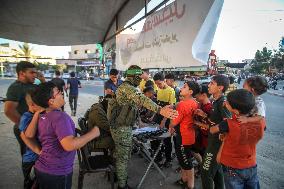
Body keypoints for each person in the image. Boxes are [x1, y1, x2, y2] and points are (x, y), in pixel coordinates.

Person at [108, 65, 178, 189]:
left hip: (124, 126)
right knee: (123, 157)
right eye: (139, 77)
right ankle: (121, 185)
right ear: (133, 76)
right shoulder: (127, 88)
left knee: (122, 155)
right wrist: (160, 110)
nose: (141, 80)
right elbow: (142, 99)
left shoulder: (126, 87)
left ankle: (118, 177)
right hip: (121, 128)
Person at [30, 82, 100, 189]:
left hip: (42, 168)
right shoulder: (59, 117)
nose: (62, 92)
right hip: (57, 173)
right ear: (51, 101)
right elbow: (69, 145)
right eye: (58, 92)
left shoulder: (43, 115)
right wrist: (93, 133)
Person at [210, 89, 266, 189]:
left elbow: (213, 130)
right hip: (251, 165)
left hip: (232, 167)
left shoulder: (228, 124)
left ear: (235, 111)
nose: (225, 103)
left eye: (227, 103)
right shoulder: (260, 122)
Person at [197, 74, 231, 189]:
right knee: (217, 172)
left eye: (212, 83)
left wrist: (215, 129)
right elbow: (216, 120)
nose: (209, 85)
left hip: (217, 143)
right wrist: (205, 115)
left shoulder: (223, 103)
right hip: (213, 140)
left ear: (220, 88)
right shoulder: (215, 101)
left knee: (205, 171)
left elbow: (229, 122)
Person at [4, 61, 37, 181]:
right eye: (32, 72)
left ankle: (37, 180)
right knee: (29, 156)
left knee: (37, 154)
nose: (35, 75)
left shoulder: (32, 85)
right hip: (25, 129)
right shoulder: (16, 87)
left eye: (35, 72)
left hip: (35, 127)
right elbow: (9, 111)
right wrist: (25, 126)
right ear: (22, 73)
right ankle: (28, 181)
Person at [169, 81, 199, 189]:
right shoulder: (194, 102)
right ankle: (183, 180)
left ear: (190, 92)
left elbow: (174, 122)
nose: (181, 88)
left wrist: (170, 116)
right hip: (189, 135)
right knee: (183, 159)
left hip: (183, 137)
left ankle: (190, 186)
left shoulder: (182, 104)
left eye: (185, 87)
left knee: (186, 162)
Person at [19, 91, 43, 189]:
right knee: (30, 184)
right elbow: (26, 136)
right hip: (30, 159)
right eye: (40, 103)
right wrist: (37, 113)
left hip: (37, 157)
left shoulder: (38, 115)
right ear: (33, 104)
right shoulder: (26, 117)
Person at [152, 72, 176, 168]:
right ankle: (159, 155)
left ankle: (168, 158)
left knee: (166, 139)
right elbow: (158, 106)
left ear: (164, 81)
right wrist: (153, 116)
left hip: (167, 119)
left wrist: (164, 121)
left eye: (159, 83)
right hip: (159, 117)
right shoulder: (158, 90)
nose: (158, 86)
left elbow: (171, 108)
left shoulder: (171, 91)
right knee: (157, 137)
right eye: (156, 84)